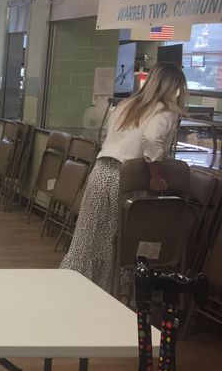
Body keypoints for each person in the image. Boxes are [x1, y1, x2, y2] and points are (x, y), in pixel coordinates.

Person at [60, 62, 187, 302]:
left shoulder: (126, 104)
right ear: (175, 87)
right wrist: (156, 175)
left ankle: (74, 288)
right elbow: (152, 140)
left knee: (88, 236)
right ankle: (115, 295)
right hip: (127, 179)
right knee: (121, 242)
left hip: (101, 171)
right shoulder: (165, 110)